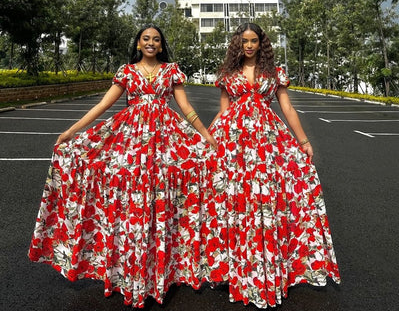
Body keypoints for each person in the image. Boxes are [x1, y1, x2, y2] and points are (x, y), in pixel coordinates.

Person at [28, 23, 216, 309]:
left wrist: (205, 134)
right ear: (138, 44)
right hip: (130, 141)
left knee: (161, 201)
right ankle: (128, 274)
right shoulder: (126, 72)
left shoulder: (171, 71)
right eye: (145, 39)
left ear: (161, 45)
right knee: (133, 205)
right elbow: (102, 106)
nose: (151, 43)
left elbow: (185, 107)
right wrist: (72, 131)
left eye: (156, 39)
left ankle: (160, 272)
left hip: (166, 142)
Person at [200, 23, 340, 309]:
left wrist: (303, 142)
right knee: (237, 200)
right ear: (237, 44)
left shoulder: (274, 73)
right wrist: (210, 137)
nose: (249, 46)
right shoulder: (227, 74)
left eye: (254, 41)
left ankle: (271, 264)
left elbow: (286, 107)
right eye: (244, 41)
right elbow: (224, 110)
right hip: (236, 142)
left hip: (267, 141)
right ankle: (236, 266)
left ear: (261, 43)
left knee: (267, 198)